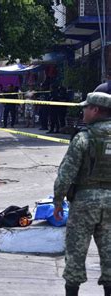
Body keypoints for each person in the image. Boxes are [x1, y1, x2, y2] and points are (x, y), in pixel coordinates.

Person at [53, 92, 111, 296]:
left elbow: (66, 173)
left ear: (96, 110)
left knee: (76, 254)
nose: (83, 111)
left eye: (86, 107)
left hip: (85, 203)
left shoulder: (83, 138)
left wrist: (58, 201)